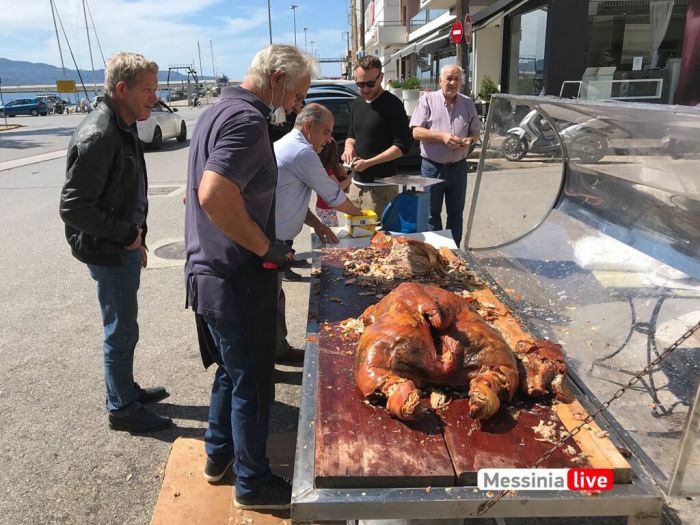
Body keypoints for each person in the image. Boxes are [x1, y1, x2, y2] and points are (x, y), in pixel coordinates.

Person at [184, 44, 314, 510]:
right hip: (235, 278)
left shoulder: (214, 112)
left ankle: (218, 457)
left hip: (209, 272)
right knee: (256, 384)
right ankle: (252, 485)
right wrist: (267, 248)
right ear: (277, 78)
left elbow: (193, 196)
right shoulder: (245, 120)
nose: (298, 105)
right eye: (298, 94)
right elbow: (212, 192)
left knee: (230, 373)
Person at [59, 52, 172, 433]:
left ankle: (124, 388)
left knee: (125, 326)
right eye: (147, 90)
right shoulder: (102, 132)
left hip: (120, 243)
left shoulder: (122, 123)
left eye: (155, 89)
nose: (153, 98)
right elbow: (74, 206)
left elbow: (126, 192)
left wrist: (138, 239)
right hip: (108, 248)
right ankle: (122, 408)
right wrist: (127, 236)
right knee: (121, 330)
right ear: (121, 89)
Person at [274, 103, 363, 362]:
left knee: (275, 298)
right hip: (271, 240)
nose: (328, 139)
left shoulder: (291, 145)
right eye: (326, 132)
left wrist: (318, 225)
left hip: (279, 237)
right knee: (268, 302)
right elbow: (333, 194)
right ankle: (266, 363)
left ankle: (277, 349)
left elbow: (292, 201)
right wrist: (364, 217)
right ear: (309, 126)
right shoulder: (302, 151)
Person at [409, 64, 481, 246]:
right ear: (440, 81)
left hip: (458, 167)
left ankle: (453, 255)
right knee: (432, 214)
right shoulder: (427, 100)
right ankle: (436, 253)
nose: (452, 83)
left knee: (456, 214)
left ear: (461, 83)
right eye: (448, 78)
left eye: (456, 79)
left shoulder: (467, 103)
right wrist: (442, 137)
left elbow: (476, 133)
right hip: (432, 167)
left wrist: (469, 141)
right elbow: (416, 132)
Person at [341, 55, 412, 215]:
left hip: (381, 189)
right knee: (354, 237)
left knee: (379, 238)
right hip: (356, 186)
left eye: (370, 83)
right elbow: (351, 134)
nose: (365, 89)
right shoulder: (357, 103)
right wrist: (348, 146)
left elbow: (402, 147)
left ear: (381, 78)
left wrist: (369, 163)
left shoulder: (393, 105)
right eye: (360, 84)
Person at [315, 138, 351, 227]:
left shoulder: (321, 167)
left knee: (330, 231)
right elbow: (338, 188)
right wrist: (352, 176)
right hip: (326, 209)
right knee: (332, 233)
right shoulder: (327, 171)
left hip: (323, 207)